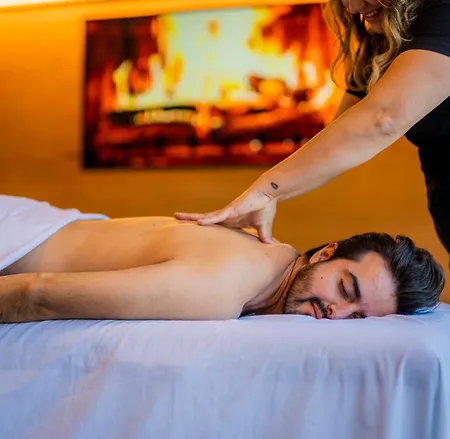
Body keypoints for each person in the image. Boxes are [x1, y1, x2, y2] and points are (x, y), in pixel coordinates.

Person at [175, 0, 450, 260]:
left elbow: (382, 119)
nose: (353, 8)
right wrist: (264, 194)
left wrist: (267, 191)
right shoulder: (389, 37)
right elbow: (341, 133)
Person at [0, 196, 443, 323]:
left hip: (53, 222)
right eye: (346, 289)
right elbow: (37, 294)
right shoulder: (220, 288)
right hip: (15, 240)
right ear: (326, 252)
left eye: (358, 317)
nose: (336, 313)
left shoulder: (272, 258)